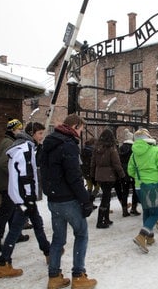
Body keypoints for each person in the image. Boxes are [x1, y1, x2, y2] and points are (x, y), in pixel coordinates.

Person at [41, 114, 96, 289]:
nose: (80, 133)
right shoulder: (68, 145)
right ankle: (78, 276)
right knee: (81, 234)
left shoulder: (49, 143)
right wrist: (85, 200)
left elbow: (44, 170)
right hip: (68, 199)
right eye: (80, 129)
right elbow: (74, 176)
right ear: (75, 126)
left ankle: (54, 276)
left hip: (53, 199)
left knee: (58, 239)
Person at [0, 125, 51, 278]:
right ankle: (3, 263)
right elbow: (26, 175)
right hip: (25, 197)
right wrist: (28, 197)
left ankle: (48, 251)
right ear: (32, 134)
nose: (42, 136)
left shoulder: (25, 147)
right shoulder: (25, 148)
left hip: (24, 196)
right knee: (15, 230)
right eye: (40, 133)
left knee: (37, 223)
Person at [0, 119, 29, 253]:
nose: (20, 131)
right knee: (5, 212)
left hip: (8, 183)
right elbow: (3, 162)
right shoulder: (8, 142)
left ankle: (16, 235)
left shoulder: (9, 141)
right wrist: (17, 173)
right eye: (19, 129)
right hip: (7, 184)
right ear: (13, 130)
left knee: (12, 210)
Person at [128, 128, 158, 253]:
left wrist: (140, 178)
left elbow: (130, 170)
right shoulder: (156, 151)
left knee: (146, 210)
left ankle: (149, 238)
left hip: (140, 186)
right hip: (153, 185)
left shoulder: (134, 153)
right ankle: (141, 236)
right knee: (156, 213)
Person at [90, 128, 125, 229]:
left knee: (106, 196)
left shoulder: (96, 148)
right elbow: (116, 163)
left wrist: (92, 176)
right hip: (109, 176)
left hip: (99, 176)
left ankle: (106, 218)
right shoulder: (111, 148)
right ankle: (100, 221)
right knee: (106, 198)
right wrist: (122, 175)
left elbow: (92, 163)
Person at [119, 128, 141, 217]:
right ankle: (133, 208)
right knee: (135, 191)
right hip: (132, 171)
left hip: (123, 172)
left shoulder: (120, 148)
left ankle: (124, 210)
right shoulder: (134, 148)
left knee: (125, 191)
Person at [81, 137, 99, 209]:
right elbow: (94, 163)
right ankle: (90, 201)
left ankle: (88, 202)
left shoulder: (83, 150)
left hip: (86, 172)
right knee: (97, 187)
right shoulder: (92, 151)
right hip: (92, 172)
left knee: (89, 187)